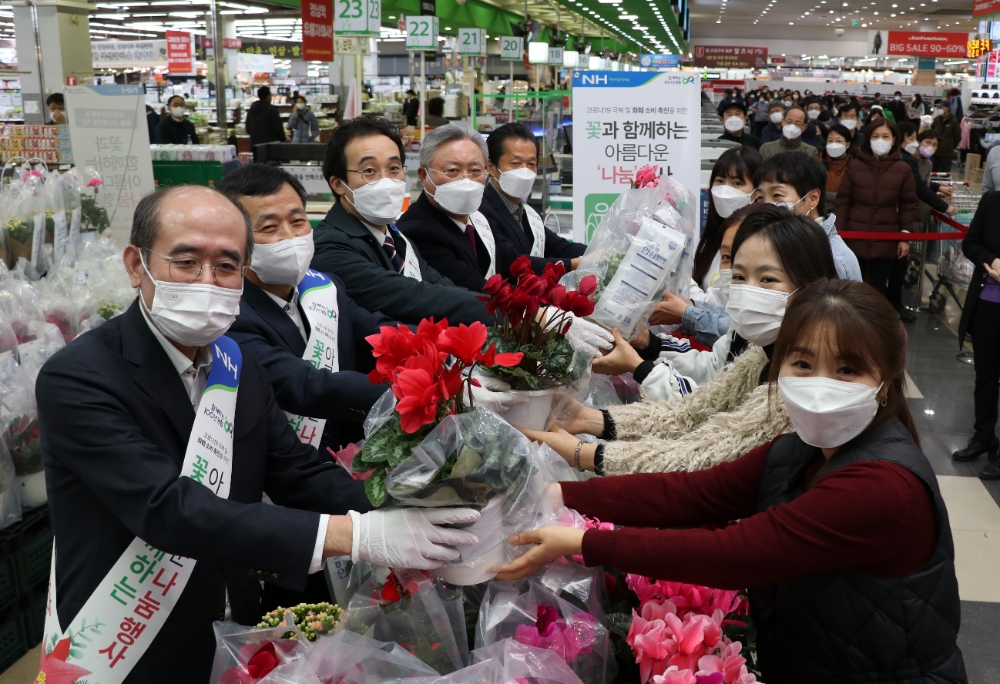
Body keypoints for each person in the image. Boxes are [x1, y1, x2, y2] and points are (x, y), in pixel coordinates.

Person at [35, 184, 481, 682]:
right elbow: (167, 508)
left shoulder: (234, 362)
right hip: (130, 637)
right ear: (137, 265)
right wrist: (357, 536)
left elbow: (296, 471)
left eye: (226, 265)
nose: (208, 280)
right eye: (186, 262)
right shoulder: (79, 376)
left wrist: (413, 501)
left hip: (236, 623)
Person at [498, 279, 966, 684]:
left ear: (885, 379)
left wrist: (579, 540)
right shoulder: (801, 448)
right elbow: (694, 493)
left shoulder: (881, 485)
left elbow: (737, 551)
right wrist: (562, 492)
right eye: (802, 365)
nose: (821, 384)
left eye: (847, 370)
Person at [525, 205, 839, 476]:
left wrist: (589, 455)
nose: (746, 290)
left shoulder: (806, 373)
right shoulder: (762, 352)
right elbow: (694, 412)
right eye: (738, 275)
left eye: (767, 279)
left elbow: (704, 453)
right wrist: (592, 420)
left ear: (811, 283)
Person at [311, 116, 492, 325]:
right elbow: (415, 297)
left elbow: (440, 286)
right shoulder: (329, 247)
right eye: (369, 171)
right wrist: (506, 314)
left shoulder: (395, 237)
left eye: (394, 168)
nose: (385, 180)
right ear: (338, 184)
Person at [397, 123, 500, 292]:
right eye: (452, 170)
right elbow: (471, 286)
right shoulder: (418, 231)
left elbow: (512, 261)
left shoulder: (477, 218)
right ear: (424, 176)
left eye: (475, 170)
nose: (466, 180)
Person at [478, 122, 586, 274]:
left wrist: (600, 252)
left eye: (531, 164)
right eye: (515, 163)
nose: (525, 171)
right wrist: (575, 264)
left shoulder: (528, 212)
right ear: (491, 167)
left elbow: (557, 246)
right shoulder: (481, 211)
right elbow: (511, 261)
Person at [684, 147, 762, 344]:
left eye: (737, 183)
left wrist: (678, 274)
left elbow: (720, 303)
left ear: (757, 192)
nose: (725, 190)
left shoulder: (759, 244)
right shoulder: (707, 243)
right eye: (720, 181)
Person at [835, 118, 916, 306]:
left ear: (894, 139)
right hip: (854, 236)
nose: (880, 140)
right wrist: (838, 234)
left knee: (878, 288)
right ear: (868, 138)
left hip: (886, 237)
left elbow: (908, 204)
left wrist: (905, 236)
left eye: (885, 136)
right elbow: (843, 201)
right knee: (851, 286)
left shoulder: (903, 169)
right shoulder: (855, 165)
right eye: (875, 135)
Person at [752, 152, 862, 282]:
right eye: (760, 197)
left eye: (777, 195)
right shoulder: (765, 241)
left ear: (812, 198)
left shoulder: (835, 257)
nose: (766, 205)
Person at [954, 191, 1000, 479]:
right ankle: (983, 436)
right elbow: (970, 243)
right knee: (985, 374)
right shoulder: (992, 202)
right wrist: (991, 260)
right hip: (988, 303)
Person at [246, 85, 287, 150]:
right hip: (271, 146)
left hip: (255, 145)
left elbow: (247, 128)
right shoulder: (272, 110)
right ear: (268, 96)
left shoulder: (251, 110)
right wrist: (283, 139)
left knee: (258, 160)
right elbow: (278, 128)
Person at [822, 123, 853, 206]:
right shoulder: (818, 166)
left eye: (839, 141)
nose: (834, 145)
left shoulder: (855, 167)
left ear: (847, 144)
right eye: (830, 141)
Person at [931, 101, 961, 174]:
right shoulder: (937, 119)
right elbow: (932, 132)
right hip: (935, 151)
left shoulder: (954, 121)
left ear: (947, 108)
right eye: (938, 108)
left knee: (945, 173)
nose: (939, 109)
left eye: (941, 107)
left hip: (947, 153)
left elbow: (957, 136)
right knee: (934, 172)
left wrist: (950, 145)